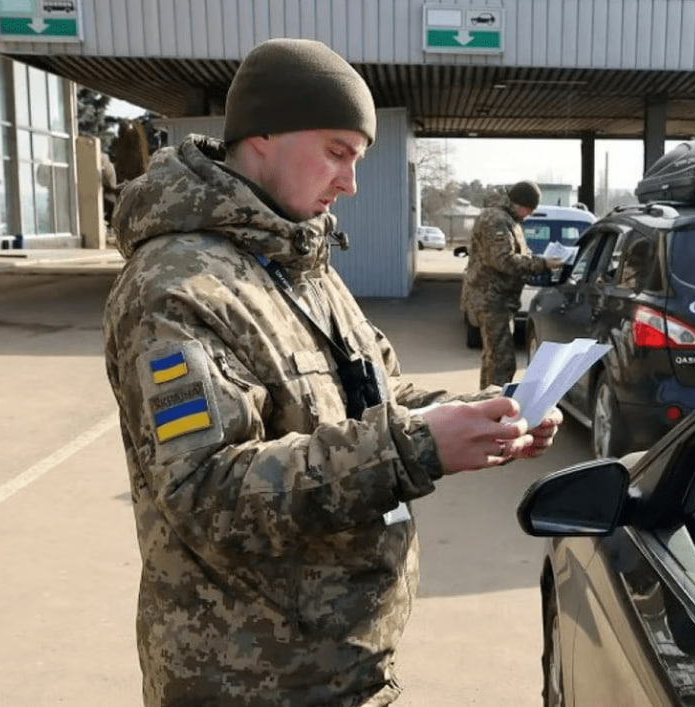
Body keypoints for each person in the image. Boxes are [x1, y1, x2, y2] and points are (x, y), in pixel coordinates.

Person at [103, 38, 562, 706]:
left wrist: (485, 410)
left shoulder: (296, 261)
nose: (350, 182)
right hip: (249, 677)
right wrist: (417, 446)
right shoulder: (176, 286)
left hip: (338, 662)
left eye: (359, 158)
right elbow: (208, 493)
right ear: (261, 134)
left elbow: (378, 392)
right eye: (337, 152)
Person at [460, 180, 564, 387]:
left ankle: (484, 405)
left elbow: (514, 254)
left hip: (499, 299)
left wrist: (536, 260)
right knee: (502, 363)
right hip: (491, 300)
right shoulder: (496, 220)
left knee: (493, 359)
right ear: (520, 204)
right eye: (529, 209)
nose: (529, 214)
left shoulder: (508, 219)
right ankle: (495, 409)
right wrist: (542, 263)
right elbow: (503, 260)